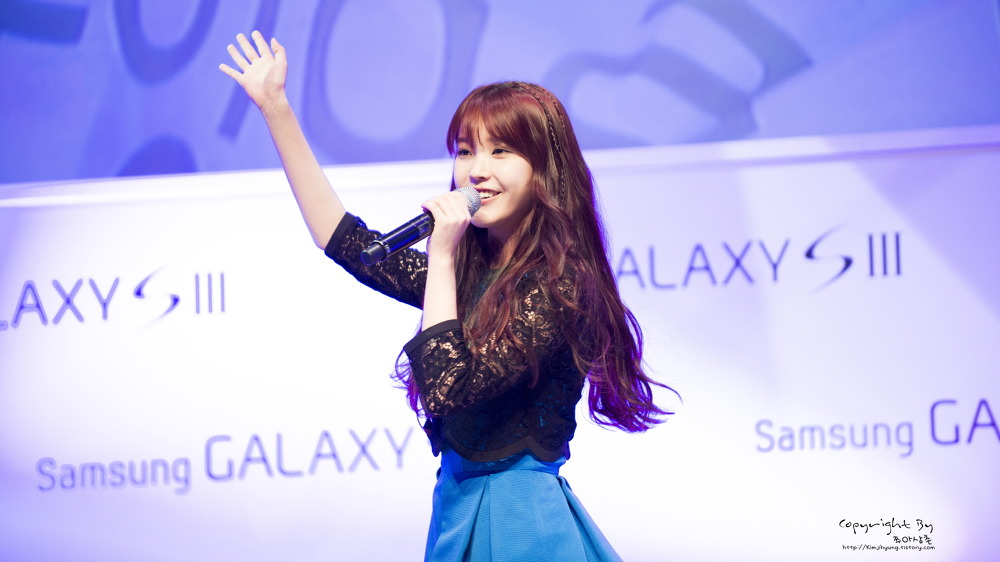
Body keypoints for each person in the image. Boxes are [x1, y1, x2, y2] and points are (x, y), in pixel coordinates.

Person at [221, 30, 673, 562]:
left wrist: (441, 255)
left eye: (501, 151)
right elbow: (344, 241)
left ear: (544, 169)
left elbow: (447, 388)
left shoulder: (560, 285)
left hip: (519, 519)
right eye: (465, 150)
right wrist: (276, 110)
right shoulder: (467, 273)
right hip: (456, 507)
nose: (476, 169)